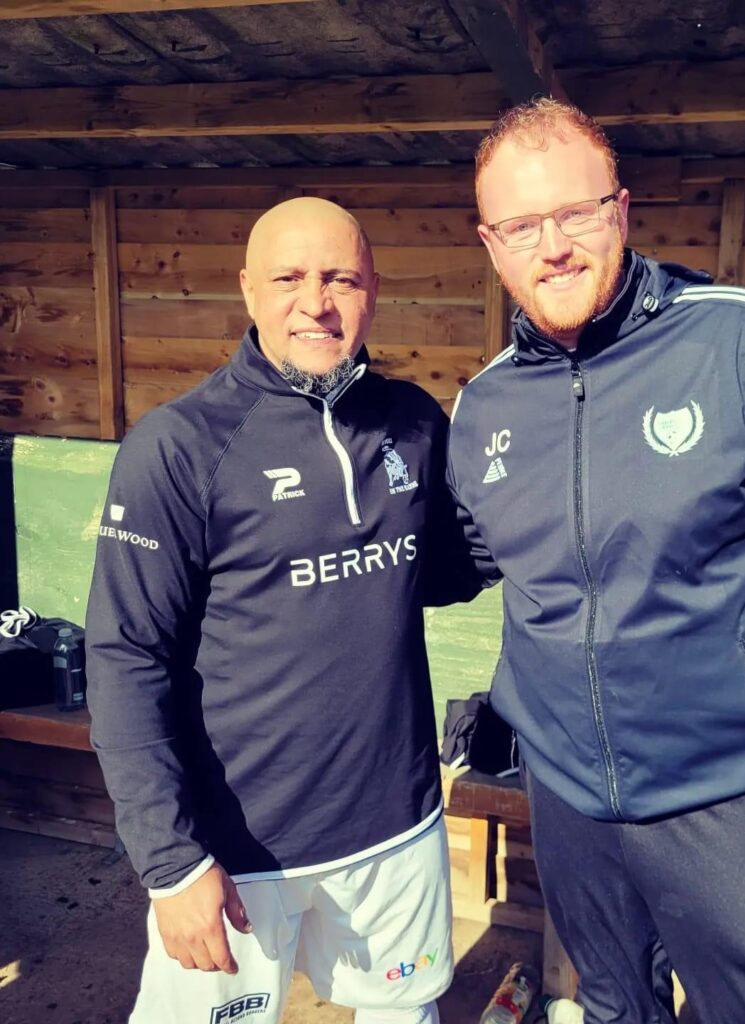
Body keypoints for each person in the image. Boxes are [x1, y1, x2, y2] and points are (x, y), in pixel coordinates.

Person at [445, 99, 745, 1024]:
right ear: (490, 243)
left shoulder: (741, 339)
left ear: (620, 211)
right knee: (617, 1010)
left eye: (575, 214)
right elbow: (475, 561)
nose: (552, 247)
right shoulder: (486, 407)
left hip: (733, 794)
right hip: (572, 801)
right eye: (520, 226)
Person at [86, 197, 476, 1024]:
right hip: (236, 848)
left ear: (372, 290)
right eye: (289, 278)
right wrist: (168, 861)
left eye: (340, 278)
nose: (317, 303)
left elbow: (439, 568)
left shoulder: (411, 422)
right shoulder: (178, 445)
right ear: (248, 292)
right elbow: (125, 656)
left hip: (394, 828)